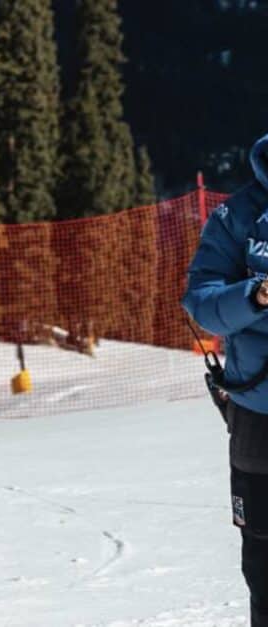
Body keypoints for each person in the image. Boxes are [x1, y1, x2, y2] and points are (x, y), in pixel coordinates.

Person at [183, 132, 268, 625]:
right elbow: (201, 301)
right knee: (264, 562)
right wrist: (257, 296)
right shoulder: (238, 215)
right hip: (259, 414)